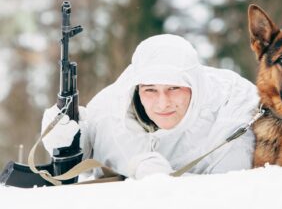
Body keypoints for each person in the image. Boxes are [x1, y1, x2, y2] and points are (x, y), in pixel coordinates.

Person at [42, 34, 259, 179]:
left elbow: (233, 187)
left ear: (195, 85)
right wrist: (65, 140)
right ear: (137, 88)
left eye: (174, 88)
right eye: (150, 90)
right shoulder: (109, 111)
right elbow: (82, 158)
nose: (163, 103)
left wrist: (161, 179)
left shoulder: (233, 103)